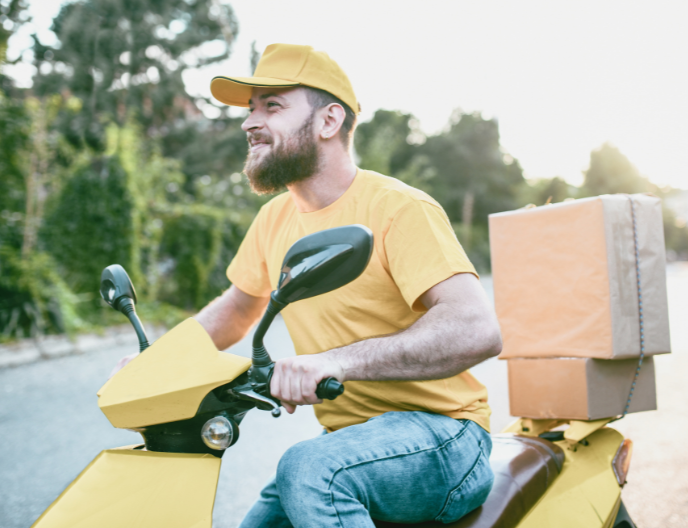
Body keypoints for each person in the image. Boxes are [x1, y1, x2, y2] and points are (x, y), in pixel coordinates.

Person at [119, 43, 504, 527]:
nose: (249, 123)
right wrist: (159, 363)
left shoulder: (399, 208)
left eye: (272, 106)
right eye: (250, 109)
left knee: (307, 468)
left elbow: (476, 329)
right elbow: (238, 308)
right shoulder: (274, 219)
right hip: (355, 442)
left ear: (328, 121)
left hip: (446, 438)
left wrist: (335, 361)